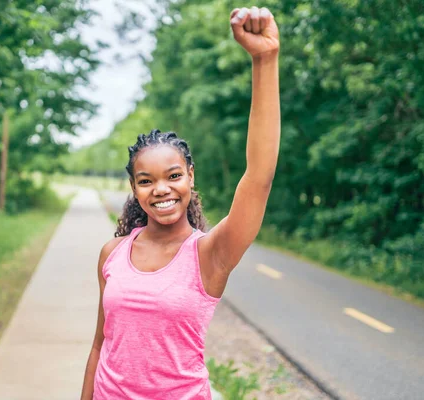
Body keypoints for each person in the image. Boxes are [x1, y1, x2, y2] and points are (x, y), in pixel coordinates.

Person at [80, 6, 280, 399]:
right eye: (146, 180)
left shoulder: (210, 254)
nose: (161, 189)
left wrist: (265, 60)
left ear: (190, 176)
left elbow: (258, 178)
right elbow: (100, 346)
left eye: (173, 176)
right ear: (134, 188)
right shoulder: (112, 253)